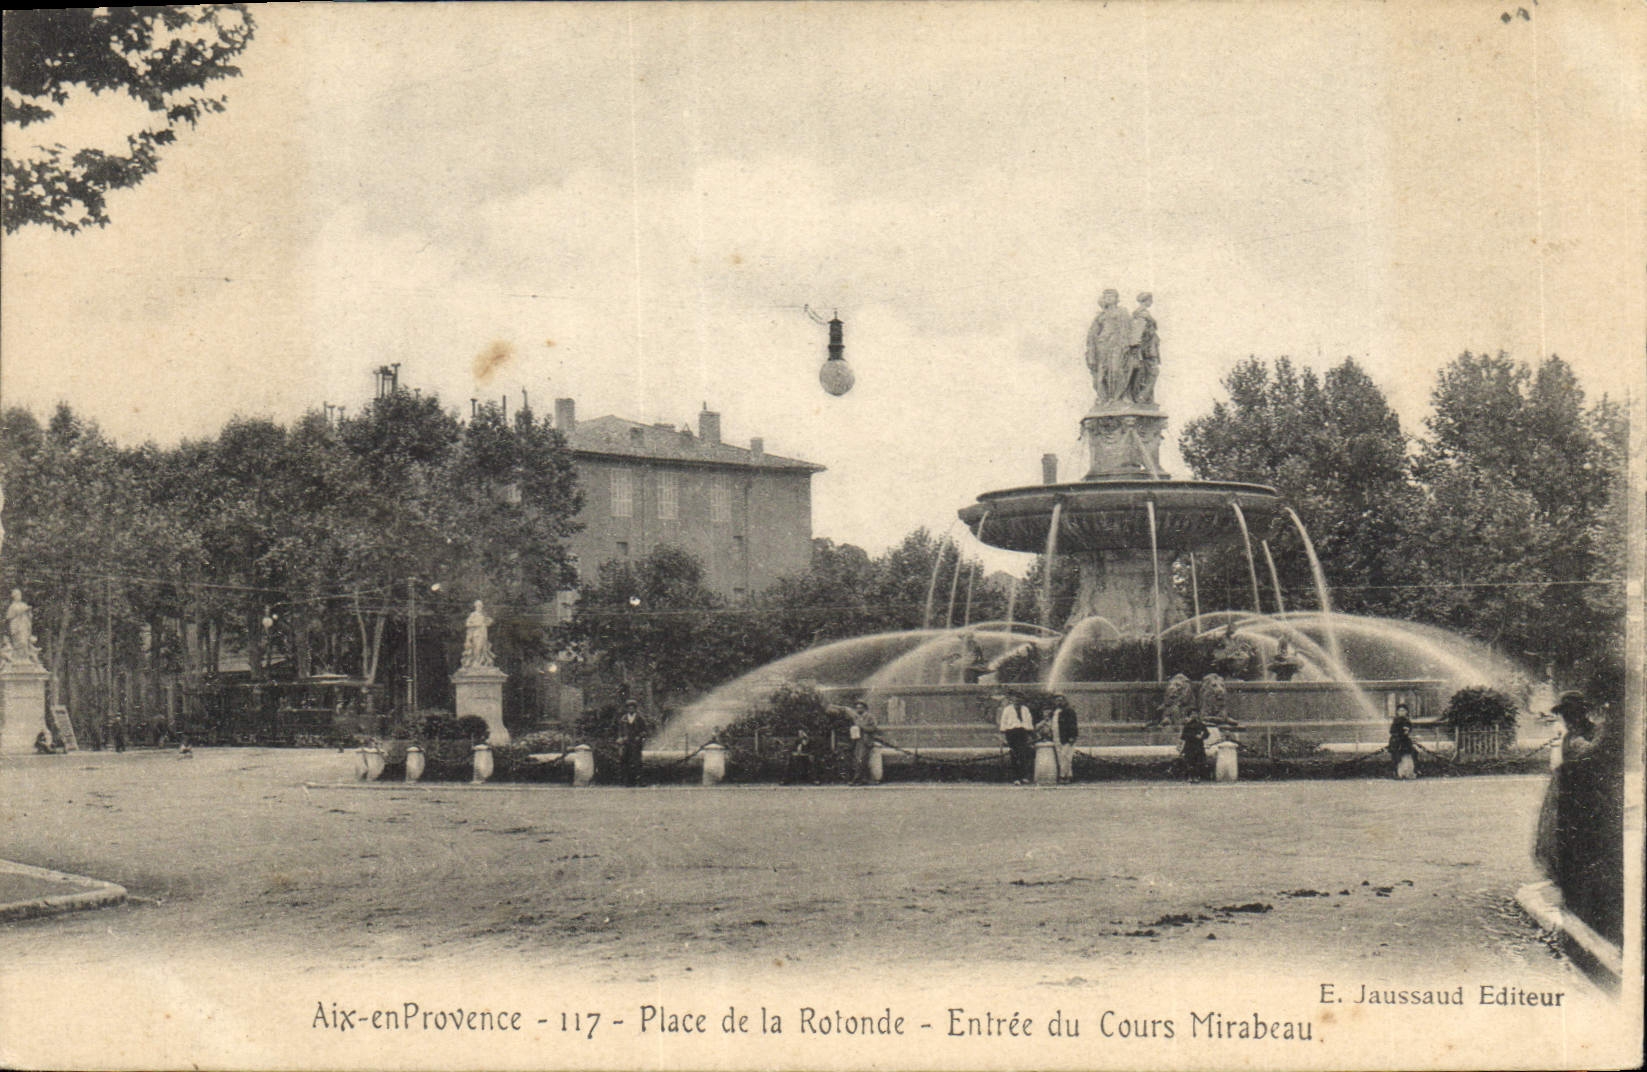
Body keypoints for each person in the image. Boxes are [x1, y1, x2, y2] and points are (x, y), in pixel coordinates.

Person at [1084, 288, 1136, 405]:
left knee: (1117, 370)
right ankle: (1105, 398)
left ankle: (1119, 396)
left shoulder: (1122, 312)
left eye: (1111, 296)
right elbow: (1092, 334)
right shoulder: (1100, 316)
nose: (1108, 298)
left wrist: (1126, 344)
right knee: (1102, 374)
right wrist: (1092, 352)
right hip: (1103, 347)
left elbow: (1128, 329)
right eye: (1106, 296)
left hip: (1118, 345)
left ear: (1117, 299)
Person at [1126, 293, 1160, 405]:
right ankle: (1142, 397)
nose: (1152, 302)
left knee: (1144, 374)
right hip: (1148, 350)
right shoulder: (1143, 314)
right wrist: (1136, 349)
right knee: (1151, 373)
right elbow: (1137, 334)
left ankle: (1143, 397)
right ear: (1147, 300)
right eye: (1151, 299)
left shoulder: (1141, 314)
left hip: (1148, 348)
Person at [996, 693, 1036, 785]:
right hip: (1012, 732)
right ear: (1012, 700)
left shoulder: (1025, 709)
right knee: (1014, 755)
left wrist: (1030, 732)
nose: (1017, 700)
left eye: (1019, 699)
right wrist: (1003, 735)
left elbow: (1028, 720)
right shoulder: (1007, 709)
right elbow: (1004, 721)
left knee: (1023, 755)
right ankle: (1016, 777)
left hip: (1022, 732)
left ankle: (1023, 777)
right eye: (1015, 699)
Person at [1044, 694, 1079, 783]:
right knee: (1061, 757)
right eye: (1057, 700)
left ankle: (1062, 776)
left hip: (1066, 737)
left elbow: (1073, 725)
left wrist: (1072, 736)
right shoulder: (1055, 712)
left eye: (1061, 700)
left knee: (1066, 756)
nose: (1059, 702)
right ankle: (1069, 775)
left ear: (1065, 701)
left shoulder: (1069, 711)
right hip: (1057, 737)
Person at [617, 699, 649, 787]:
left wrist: (639, 736)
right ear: (627, 709)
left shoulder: (640, 718)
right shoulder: (623, 719)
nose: (631, 709)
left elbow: (645, 730)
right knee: (625, 761)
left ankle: (640, 780)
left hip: (636, 742)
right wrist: (621, 738)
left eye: (632, 708)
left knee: (637, 761)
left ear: (635, 709)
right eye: (629, 708)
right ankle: (628, 781)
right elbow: (620, 731)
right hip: (626, 742)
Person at [847, 700, 878, 785]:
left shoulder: (870, 717)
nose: (858, 709)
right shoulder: (856, 718)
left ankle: (856, 779)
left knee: (861, 760)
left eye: (860, 707)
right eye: (857, 708)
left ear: (865, 708)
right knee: (857, 760)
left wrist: (862, 727)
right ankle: (863, 779)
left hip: (866, 741)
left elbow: (873, 728)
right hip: (857, 740)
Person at [1388, 702, 1418, 779]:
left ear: (1406, 712)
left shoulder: (1407, 720)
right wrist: (1401, 731)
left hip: (1405, 741)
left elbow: (1410, 728)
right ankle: (1397, 773)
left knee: (1411, 754)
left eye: (1403, 710)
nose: (1402, 712)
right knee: (1397, 756)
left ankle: (1409, 771)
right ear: (1397, 712)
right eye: (1400, 711)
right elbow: (1392, 731)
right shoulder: (1396, 721)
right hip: (1397, 740)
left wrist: (1408, 730)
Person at [462, 600, 495, 668]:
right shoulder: (473, 614)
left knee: (483, 648)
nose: (479, 607)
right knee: (477, 647)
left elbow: (488, 622)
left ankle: (481, 662)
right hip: (476, 633)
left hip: (483, 633)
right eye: (478, 605)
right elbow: (467, 624)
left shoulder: (483, 615)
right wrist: (476, 624)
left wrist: (488, 622)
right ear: (475, 606)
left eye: (480, 605)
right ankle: (476, 662)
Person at [1179, 712, 1210, 782]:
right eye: (1192, 714)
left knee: (1198, 762)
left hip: (1198, 745)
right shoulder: (1187, 726)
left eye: (1195, 714)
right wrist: (1194, 736)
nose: (1194, 716)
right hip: (1190, 746)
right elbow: (1183, 736)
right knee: (1190, 762)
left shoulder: (1201, 725)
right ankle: (1190, 776)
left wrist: (1202, 736)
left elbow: (1207, 733)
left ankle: (1196, 776)